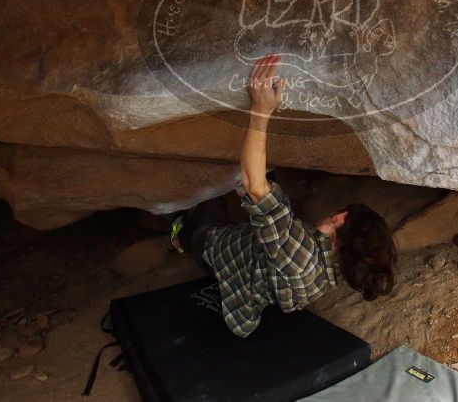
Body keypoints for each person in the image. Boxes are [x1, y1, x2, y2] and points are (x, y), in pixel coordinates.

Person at [168, 54, 398, 338]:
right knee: (249, 199)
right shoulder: (324, 273)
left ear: (341, 216)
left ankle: (177, 234)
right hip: (249, 261)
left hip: (214, 250)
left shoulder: (301, 253)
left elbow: (255, 186)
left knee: (207, 200)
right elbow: (278, 220)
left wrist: (261, 110)